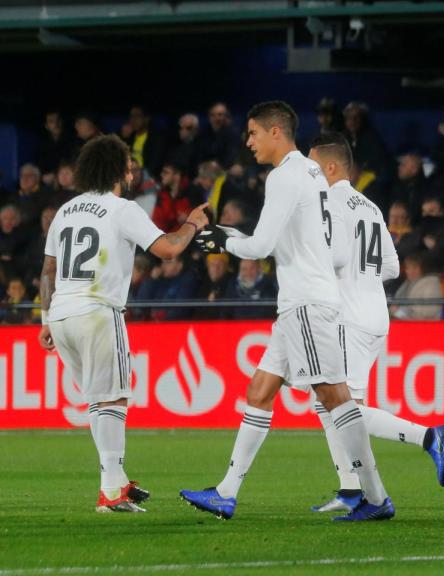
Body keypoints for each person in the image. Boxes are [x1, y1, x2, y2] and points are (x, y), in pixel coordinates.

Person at [180, 101, 392, 522]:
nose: (249, 142)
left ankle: (375, 495)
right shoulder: (312, 173)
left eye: (254, 133)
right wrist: (225, 236)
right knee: (259, 391)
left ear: (276, 132)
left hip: (307, 304)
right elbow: (278, 239)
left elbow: (258, 248)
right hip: (298, 302)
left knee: (334, 398)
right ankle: (226, 492)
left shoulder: (285, 176)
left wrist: (218, 240)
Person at [38, 134, 209, 512]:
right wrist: (193, 224)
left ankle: (113, 485)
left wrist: (47, 318)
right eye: (128, 164)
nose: (132, 171)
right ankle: (112, 488)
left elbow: (48, 270)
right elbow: (168, 249)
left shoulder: (66, 211)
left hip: (63, 315)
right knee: (113, 398)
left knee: (99, 402)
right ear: (118, 169)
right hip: (97, 310)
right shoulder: (121, 209)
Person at [307, 132, 444, 514]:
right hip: (374, 314)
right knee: (327, 402)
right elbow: (391, 266)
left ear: (332, 166)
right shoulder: (371, 207)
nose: (309, 173)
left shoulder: (329, 203)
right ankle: (351, 489)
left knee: (343, 407)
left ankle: (427, 437)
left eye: (313, 166)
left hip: (346, 316)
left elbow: (333, 256)